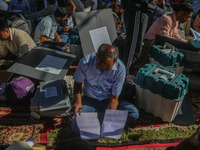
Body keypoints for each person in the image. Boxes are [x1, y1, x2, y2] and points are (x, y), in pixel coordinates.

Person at [71, 44, 139, 127]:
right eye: (99, 65)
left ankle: (93, 119)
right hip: (89, 101)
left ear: (115, 61)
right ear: (96, 56)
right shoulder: (85, 62)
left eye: (107, 69)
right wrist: (78, 102)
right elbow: (78, 84)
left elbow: (114, 98)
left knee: (133, 113)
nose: (103, 71)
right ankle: (108, 120)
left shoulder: (120, 68)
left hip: (109, 100)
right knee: (76, 120)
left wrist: (110, 114)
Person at [121, 0, 155, 74]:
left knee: (134, 46)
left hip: (139, 9)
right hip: (138, 9)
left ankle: (126, 73)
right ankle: (125, 75)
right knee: (133, 47)